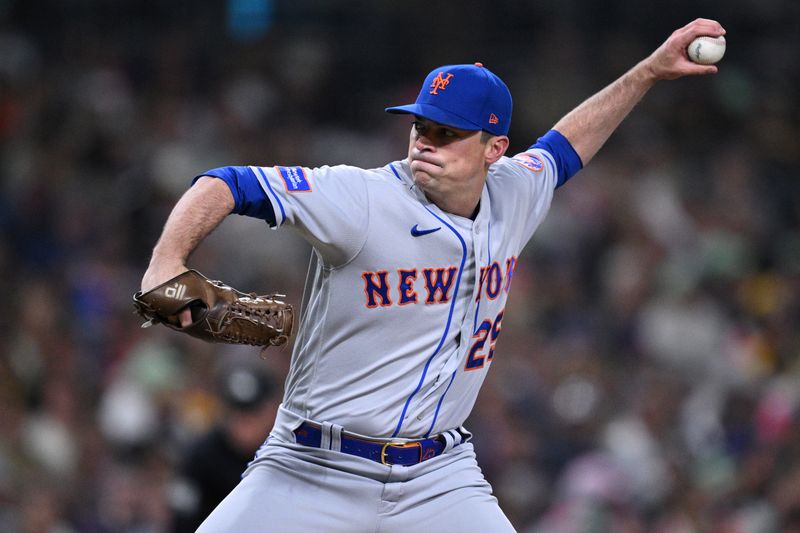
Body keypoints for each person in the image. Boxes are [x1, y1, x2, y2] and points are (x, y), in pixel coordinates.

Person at [140, 18, 725, 532]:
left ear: (494, 148)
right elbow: (225, 182)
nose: (425, 142)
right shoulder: (362, 199)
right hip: (312, 467)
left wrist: (648, 72)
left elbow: (568, 144)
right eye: (421, 126)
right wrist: (166, 262)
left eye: (447, 133)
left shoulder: (516, 191)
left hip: (437, 478)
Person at [168, 365, 278, 532]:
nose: (244, 422)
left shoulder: (283, 453)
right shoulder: (201, 456)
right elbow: (182, 519)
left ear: (270, 412)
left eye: (253, 414)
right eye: (237, 413)